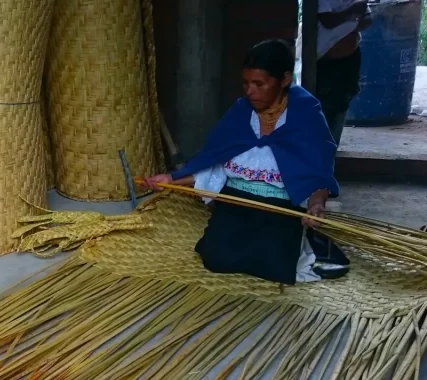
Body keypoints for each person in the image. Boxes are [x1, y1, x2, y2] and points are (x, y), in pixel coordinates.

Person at [143, 39, 348, 285]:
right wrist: (170, 180)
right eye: (246, 83)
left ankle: (311, 242)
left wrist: (316, 205)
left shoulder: (306, 115)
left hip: (280, 207)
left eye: (259, 84)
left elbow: (318, 173)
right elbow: (214, 164)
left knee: (275, 268)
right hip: (236, 202)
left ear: (284, 80)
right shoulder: (240, 112)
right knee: (216, 260)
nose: (250, 91)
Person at [304, 0, 373, 144]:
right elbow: (328, 21)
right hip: (328, 63)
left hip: (350, 59)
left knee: (343, 102)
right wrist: (352, 14)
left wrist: (347, 22)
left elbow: (367, 19)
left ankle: (331, 146)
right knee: (325, 105)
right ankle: (321, 147)